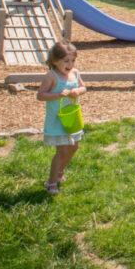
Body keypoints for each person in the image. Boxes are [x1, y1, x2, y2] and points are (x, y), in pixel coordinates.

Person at [36, 41, 85, 195]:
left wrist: (77, 91)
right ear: (54, 61)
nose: (70, 64)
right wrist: (57, 94)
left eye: (72, 60)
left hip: (72, 118)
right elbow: (40, 95)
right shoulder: (51, 76)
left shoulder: (75, 74)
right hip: (57, 120)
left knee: (74, 147)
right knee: (62, 150)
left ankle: (60, 171)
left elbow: (84, 87)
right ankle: (51, 182)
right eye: (66, 61)